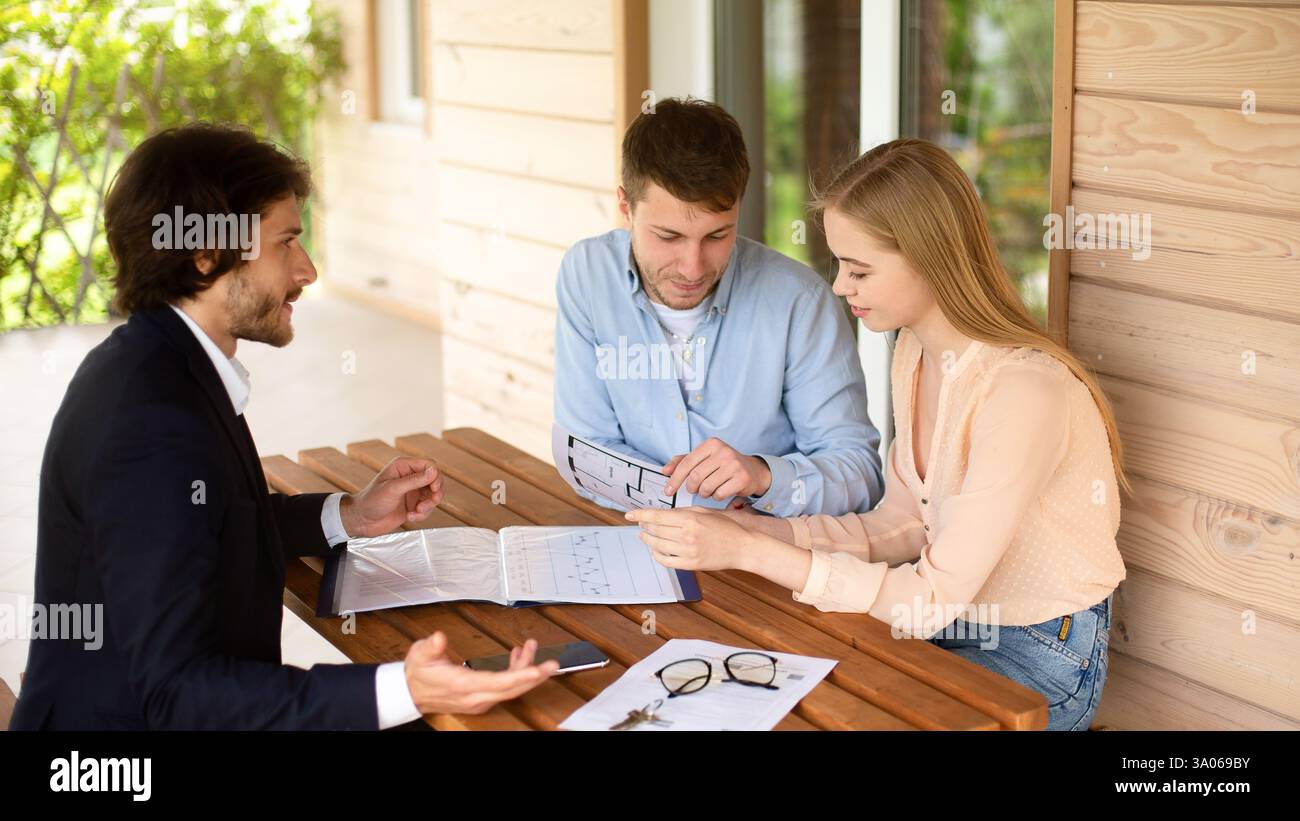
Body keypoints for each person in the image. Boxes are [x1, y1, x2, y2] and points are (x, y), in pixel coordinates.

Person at [10, 124, 557, 730]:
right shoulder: (150, 423)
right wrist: (402, 689)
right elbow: (178, 694)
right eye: (285, 243)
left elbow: (205, 524)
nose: (308, 270)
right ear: (206, 253)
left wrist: (349, 514)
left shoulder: (159, 362)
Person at [626, 138, 1128, 731]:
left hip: (1039, 651)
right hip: (941, 618)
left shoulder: (1024, 391)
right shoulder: (915, 350)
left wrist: (752, 553)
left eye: (859, 270)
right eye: (840, 264)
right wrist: (759, 528)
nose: (840, 287)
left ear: (931, 259)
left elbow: (931, 600)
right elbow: (903, 526)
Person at [554, 97, 884, 517]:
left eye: (716, 236)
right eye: (669, 236)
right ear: (625, 209)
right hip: (634, 536)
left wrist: (764, 477)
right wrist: (688, 503)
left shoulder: (799, 301)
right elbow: (586, 450)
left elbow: (860, 476)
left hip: (763, 557)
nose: (692, 267)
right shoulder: (587, 274)